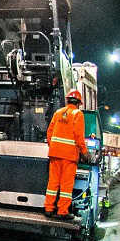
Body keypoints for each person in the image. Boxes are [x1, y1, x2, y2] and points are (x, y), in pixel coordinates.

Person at [44, 89, 89, 219]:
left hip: (55, 153)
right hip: (69, 156)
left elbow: (49, 132)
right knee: (66, 185)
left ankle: (48, 208)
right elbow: (78, 136)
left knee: (53, 182)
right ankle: (62, 211)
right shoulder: (78, 114)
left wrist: (53, 146)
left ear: (67, 100)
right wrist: (84, 152)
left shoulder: (58, 112)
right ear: (79, 103)